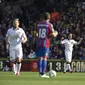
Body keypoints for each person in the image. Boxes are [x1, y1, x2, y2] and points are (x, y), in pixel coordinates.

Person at [36, 12, 58, 78]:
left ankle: (40, 73)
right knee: (45, 58)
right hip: (45, 43)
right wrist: (56, 33)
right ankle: (43, 73)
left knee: (40, 58)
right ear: (49, 18)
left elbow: (37, 33)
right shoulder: (49, 25)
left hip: (38, 43)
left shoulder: (39, 24)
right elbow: (53, 34)